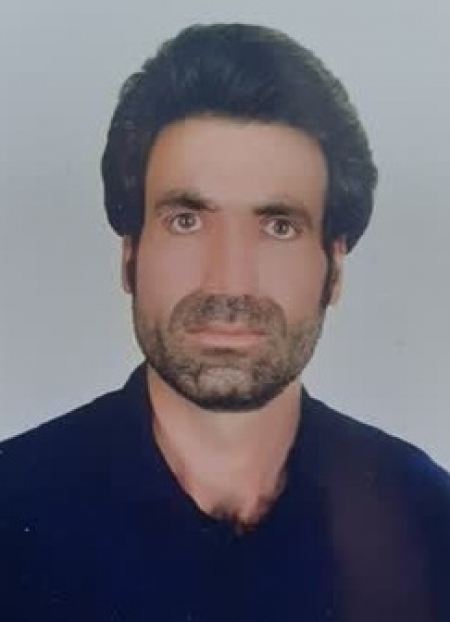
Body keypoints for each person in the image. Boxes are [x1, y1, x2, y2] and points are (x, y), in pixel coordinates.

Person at [1, 23, 449, 622]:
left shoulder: (430, 522)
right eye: (187, 221)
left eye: (278, 226)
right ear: (130, 256)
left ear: (334, 268)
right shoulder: (11, 510)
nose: (229, 282)